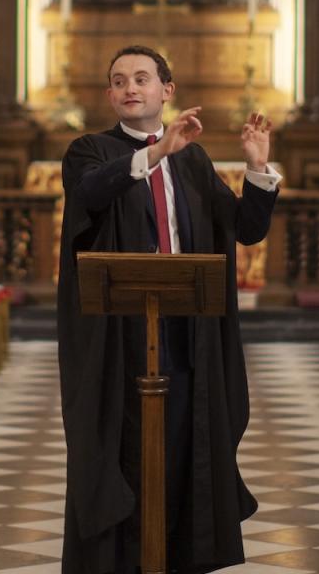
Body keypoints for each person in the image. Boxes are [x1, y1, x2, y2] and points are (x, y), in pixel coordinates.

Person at [57, 45, 279, 573]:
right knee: (123, 450)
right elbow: (91, 192)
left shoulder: (193, 159)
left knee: (182, 447)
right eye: (118, 81)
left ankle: (175, 558)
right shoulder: (88, 150)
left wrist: (257, 167)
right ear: (110, 95)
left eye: (141, 78)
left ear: (167, 90)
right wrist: (156, 154)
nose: (129, 88)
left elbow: (244, 229)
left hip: (185, 332)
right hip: (118, 337)